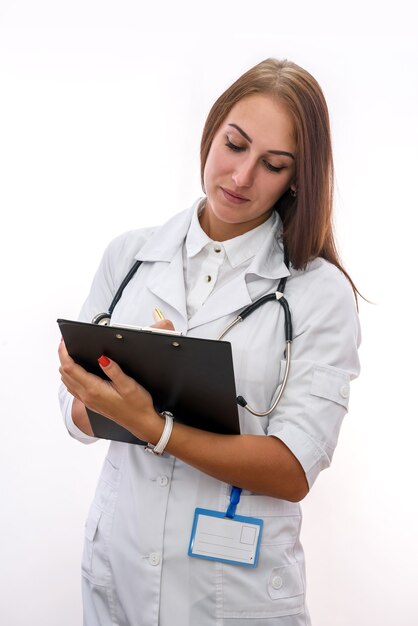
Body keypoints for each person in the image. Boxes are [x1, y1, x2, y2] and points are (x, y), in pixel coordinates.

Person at [58, 57, 361, 626]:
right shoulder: (129, 258)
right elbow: (74, 416)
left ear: (297, 178)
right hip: (117, 571)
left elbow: (293, 469)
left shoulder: (319, 294)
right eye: (235, 144)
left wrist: (154, 425)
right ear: (212, 127)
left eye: (272, 164)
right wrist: (102, 386)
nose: (241, 177)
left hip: (233, 597)